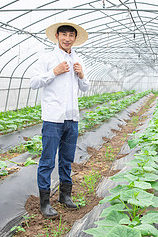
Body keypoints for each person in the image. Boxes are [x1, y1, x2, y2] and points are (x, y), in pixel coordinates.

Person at [30, 21, 90, 218]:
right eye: (63, 34)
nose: (67, 38)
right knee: (47, 160)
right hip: (53, 119)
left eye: (71, 35)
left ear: (75, 39)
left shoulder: (78, 60)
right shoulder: (47, 59)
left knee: (66, 159)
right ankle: (44, 202)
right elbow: (34, 82)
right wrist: (53, 72)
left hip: (72, 118)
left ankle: (65, 196)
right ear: (57, 37)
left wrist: (81, 75)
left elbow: (84, 88)